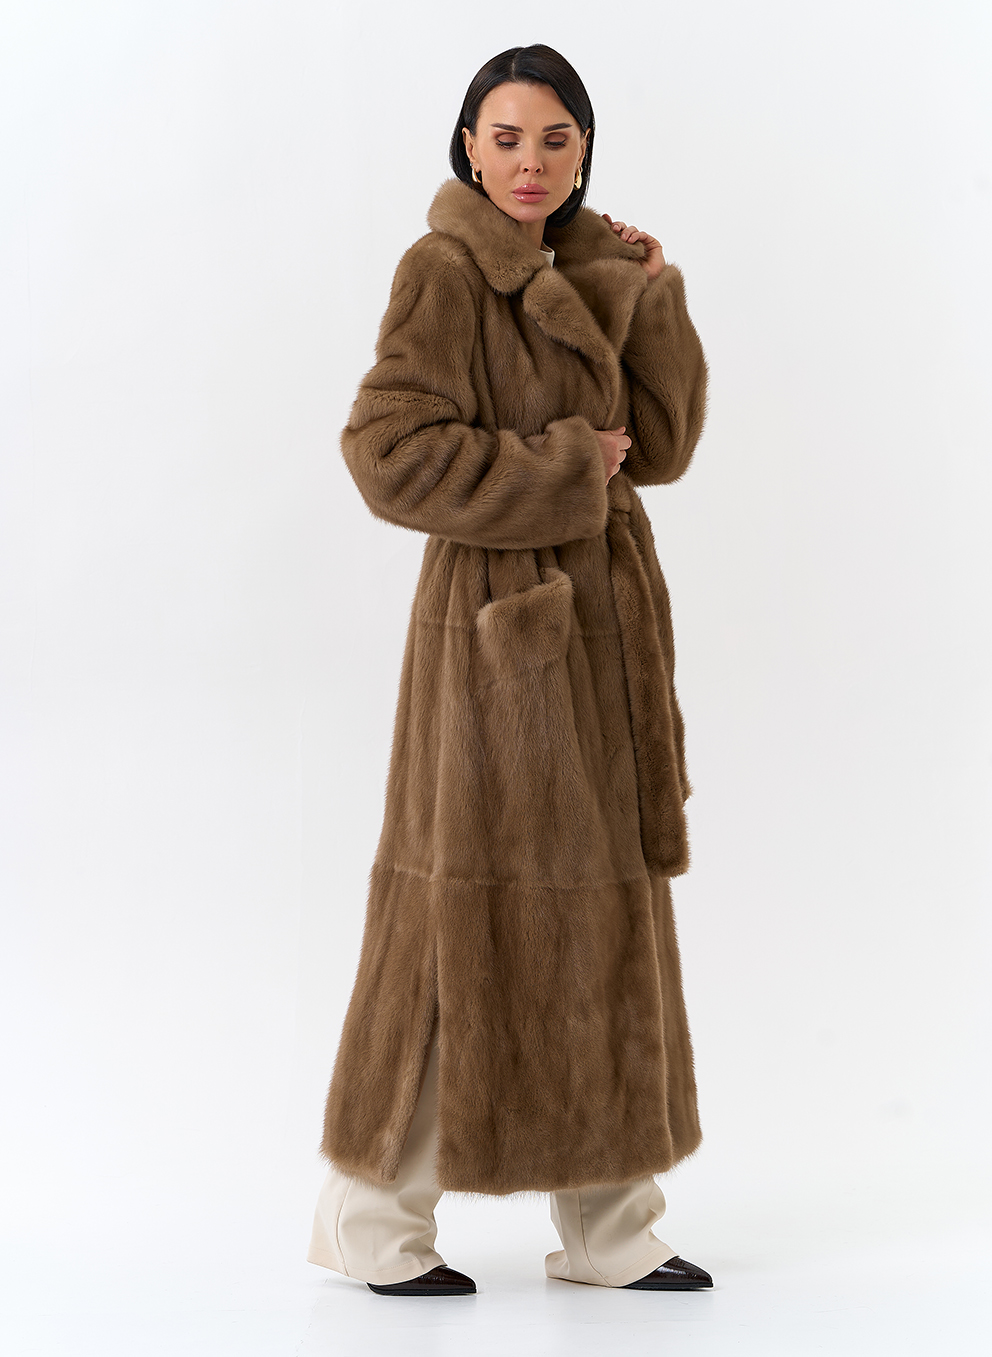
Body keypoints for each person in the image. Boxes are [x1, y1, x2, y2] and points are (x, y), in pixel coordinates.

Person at [307, 44, 711, 1297]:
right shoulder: (443, 272)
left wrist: (650, 294)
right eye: (505, 136)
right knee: (459, 924)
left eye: (553, 138)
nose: (529, 161)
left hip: (603, 640)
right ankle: (369, 1225)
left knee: (604, 916)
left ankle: (609, 1232)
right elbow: (385, 451)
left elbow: (663, 447)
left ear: (582, 151)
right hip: (494, 644)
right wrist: (561, 465)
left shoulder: (589, 269)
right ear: (467, 148)